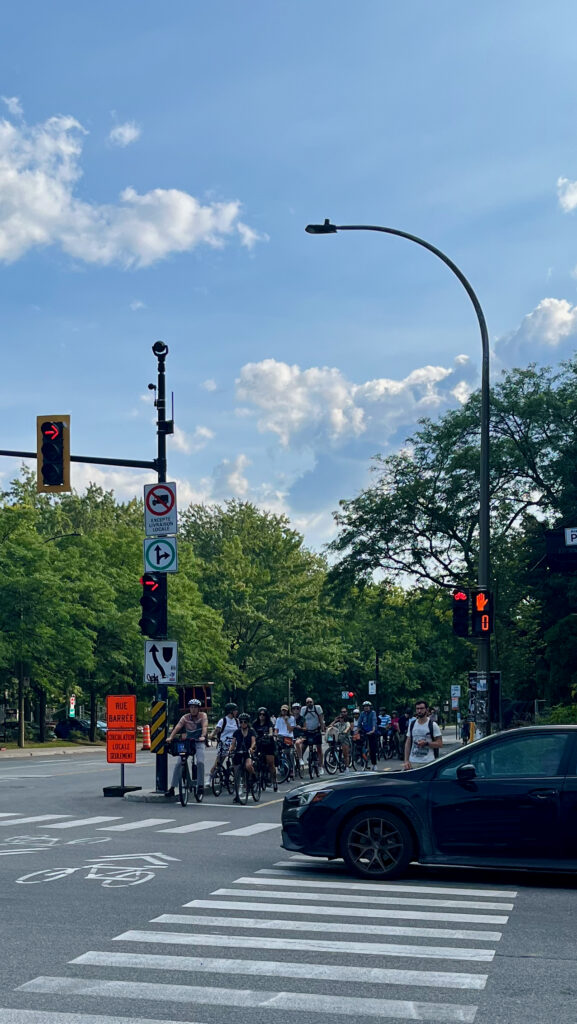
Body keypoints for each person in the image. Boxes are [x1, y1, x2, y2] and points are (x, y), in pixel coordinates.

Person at [165, 698, 208, 797]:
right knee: (179, 763)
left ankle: (200, 785)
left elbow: (205, 727)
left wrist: (203, 736)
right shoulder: (185, 717)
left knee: (200, 761)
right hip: (187, 743)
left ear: (198, 709)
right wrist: (170, 737)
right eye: (191, 707)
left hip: (198, 742)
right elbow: (177, 727)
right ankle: (172, 788)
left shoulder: (203, 716)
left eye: (195, 708)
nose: (193, 709)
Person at [404, 699, 443, 769]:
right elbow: (408, 743)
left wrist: (427, 743)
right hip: (413, 762)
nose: (419, 711)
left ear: (426, 709)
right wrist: (406, 760)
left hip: (428, 762)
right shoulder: (412, 724)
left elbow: (440, 743)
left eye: (421, 708)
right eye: (417, 709)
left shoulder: (433, 725)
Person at [228, 712, 256, 802]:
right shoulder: (237, 732)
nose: (243, 723)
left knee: (248, 765)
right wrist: (230, 750)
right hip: (239, 752)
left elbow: (253, 741)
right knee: (236, 773)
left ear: (248, 722)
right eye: (241, 722)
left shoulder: (251, 731)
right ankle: (237, 794)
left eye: (245, 722)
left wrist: (251, 748)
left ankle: (254, 777)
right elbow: (233, 743)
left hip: (247, 752)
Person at [209, 702, 238, 783]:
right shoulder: (223, 720)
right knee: (218, 762)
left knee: (237, 761)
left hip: (234, 744)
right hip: (224, 743)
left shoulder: (237, 721)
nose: (236, 712)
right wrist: (211, 735)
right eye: (235, 710)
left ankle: (236, 777)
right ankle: (210, 777)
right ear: (230, 711)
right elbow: (217, 730)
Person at [298, 696, 325, 775]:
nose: (309, 704)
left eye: (310, 702)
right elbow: (301, 719)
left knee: (319, 748)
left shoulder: (317, 708)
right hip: (307, 731)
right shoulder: (303, 709)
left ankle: (321, 766)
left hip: (316, 730)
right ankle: (300, 762)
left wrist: (322, 728)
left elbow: (321, 718)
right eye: (307, 702)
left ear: (313, 702)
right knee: (303, 747)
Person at [253, 707, 277, 790]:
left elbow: (271, 730)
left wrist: (269, 734)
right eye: (260, 714)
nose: (261, 716)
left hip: (268, 743)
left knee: (270, 762)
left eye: (263, 714)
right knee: (254, 759)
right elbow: (252, 731)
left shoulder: (269, 723)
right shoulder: (255, 723)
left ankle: (274, 780)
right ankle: (255, 778)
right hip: (259, 744)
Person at [274, 705, 296, 778]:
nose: (284, 712)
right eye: (283, 710)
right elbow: (276, 729)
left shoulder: (291, 718)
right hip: (280, 736)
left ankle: (292, 768)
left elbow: (290, 730)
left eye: (285, 710)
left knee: (289, 753)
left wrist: (286, 722)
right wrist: (275, 736)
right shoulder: (278, 719)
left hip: (288, 737)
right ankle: (280, 766)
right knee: (277, 751)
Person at [358, 700, 378, 768]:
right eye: (365, 706)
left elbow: (374, 721)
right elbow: (359, 723)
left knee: (372, 748)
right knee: (359, 744)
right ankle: (360, 758)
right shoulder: (362, 714)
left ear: (370, 707)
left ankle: (374, 764)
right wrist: (357, 730)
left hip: (371, 732)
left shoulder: (373, 713)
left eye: (367, 706)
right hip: (364, 731)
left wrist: (373, 730)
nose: (366, 708)